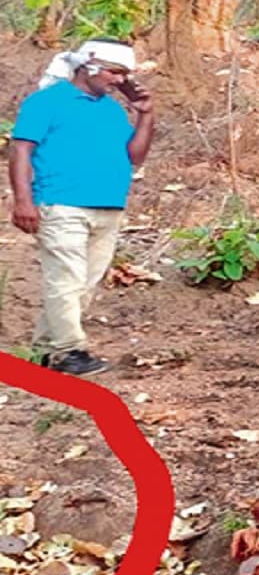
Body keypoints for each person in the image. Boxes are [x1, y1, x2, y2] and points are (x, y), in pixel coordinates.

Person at [8, 39, 154, 377]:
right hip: (60, 204)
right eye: (115, 72)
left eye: (125, 74)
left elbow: (135, 156)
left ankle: (45, 353)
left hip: (108, 207)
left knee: (82, 285)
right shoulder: (46, 101)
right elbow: (21, 151)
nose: (120, 80)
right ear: (88, 64)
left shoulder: (110, 109)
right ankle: (69, 352)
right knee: (66, 279)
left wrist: (146, 114)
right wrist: (23, 200)